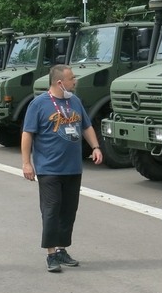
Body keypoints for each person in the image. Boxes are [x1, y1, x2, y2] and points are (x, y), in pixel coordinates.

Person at [21, 64, 104, 273]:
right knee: (51, 209)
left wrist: (96, 147)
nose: (75, 81)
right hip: (49, 168)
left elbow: (86, 126)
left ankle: (61, 249)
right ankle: (51, 254)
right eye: (72, 78)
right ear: (60, 82)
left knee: (68, 211)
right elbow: (27, 133)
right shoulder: (38, 104)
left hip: (73, 168)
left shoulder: (74, 101)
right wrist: (26, 163)